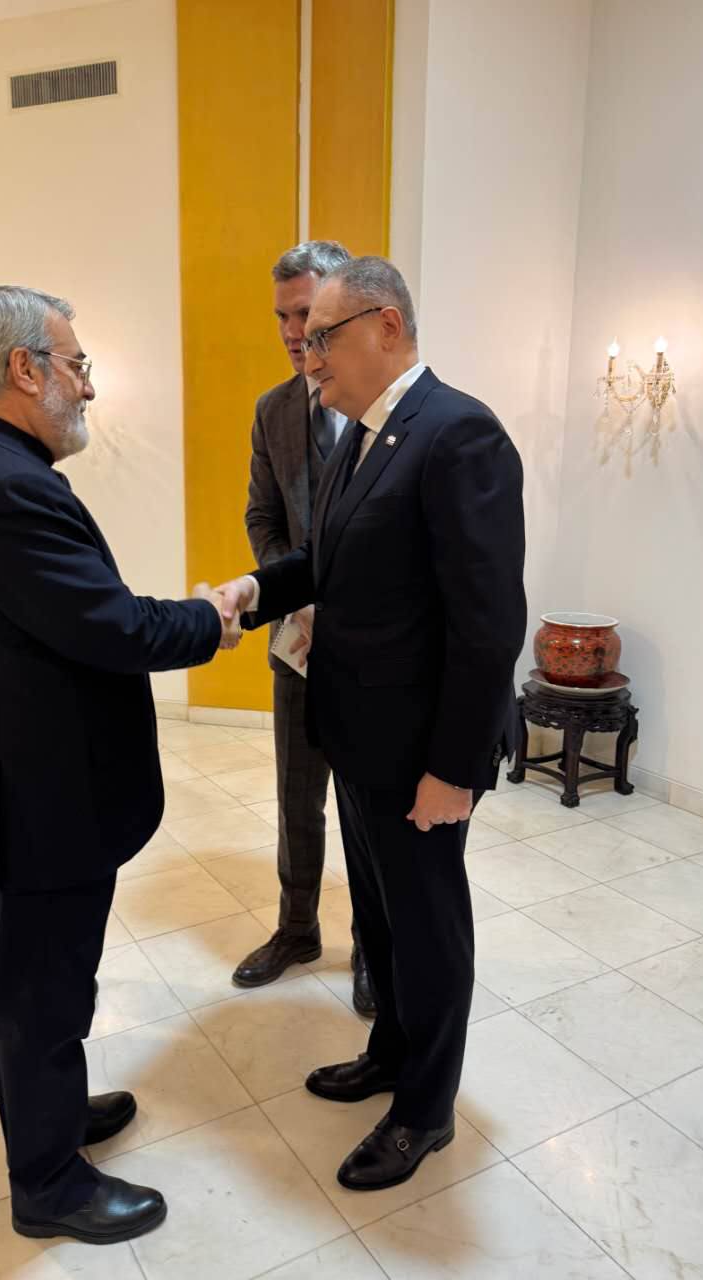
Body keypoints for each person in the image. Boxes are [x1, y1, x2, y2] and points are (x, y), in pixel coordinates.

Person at [0, 285, 233, 1244]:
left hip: (12, 781)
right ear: (24, 369)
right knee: (40, 995)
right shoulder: (7, 488)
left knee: (40, 983)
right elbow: (113, 626)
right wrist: (210, 620)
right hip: (43, 796)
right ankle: (48, 1186)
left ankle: (52, 1115)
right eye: (76, 364)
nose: (86, 386)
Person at [215, 256, 526, 1191]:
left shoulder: (459, 432)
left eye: (324, 338)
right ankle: (390, 1051)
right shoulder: (365, 434)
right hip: (359, 738)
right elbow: (326, 558)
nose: (308, 357)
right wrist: (255, 589)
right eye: (305, 340)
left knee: (429, 928)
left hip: (423, 753)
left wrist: (454, 769)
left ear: (387, 327)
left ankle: (425, 1111)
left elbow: (487, 625)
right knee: (384, 922)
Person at [232, 239, 376, 1017]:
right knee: (296, 801)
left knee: (365, 806)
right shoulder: (273, 411)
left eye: (306, 314)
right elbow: (263, 515)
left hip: (371, 657)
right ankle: (296, 929)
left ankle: (371, 947)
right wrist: (295, 595)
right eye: (282, 317)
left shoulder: (383, 406)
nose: (293, 332)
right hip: (296, 646)